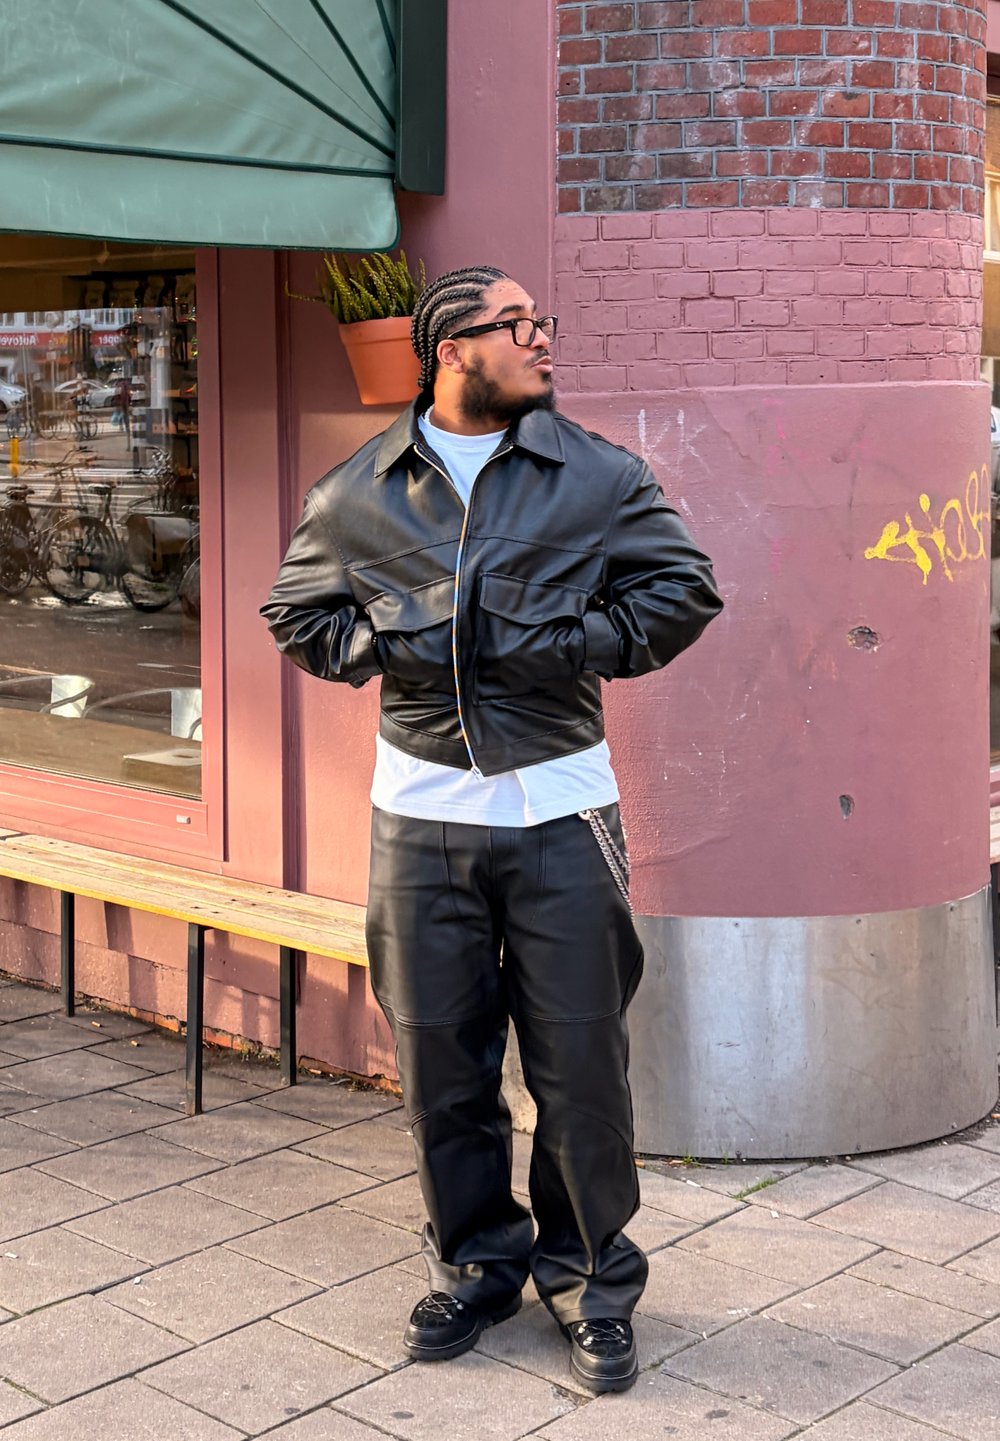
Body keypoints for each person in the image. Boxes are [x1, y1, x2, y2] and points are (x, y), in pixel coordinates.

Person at [261, 264, 722, 1394]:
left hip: (563, 809)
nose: (543, 340)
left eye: (541, 321)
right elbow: (297, 612)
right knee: (440, 1064)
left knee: (581, 1067)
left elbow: (681, 592)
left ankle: (590, 1279)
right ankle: (479, 1262)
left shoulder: (597, 477)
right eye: (520, 326)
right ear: (452, 347)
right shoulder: (359, 492)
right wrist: (383, 650)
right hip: (419, 821)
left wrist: (569, 644)